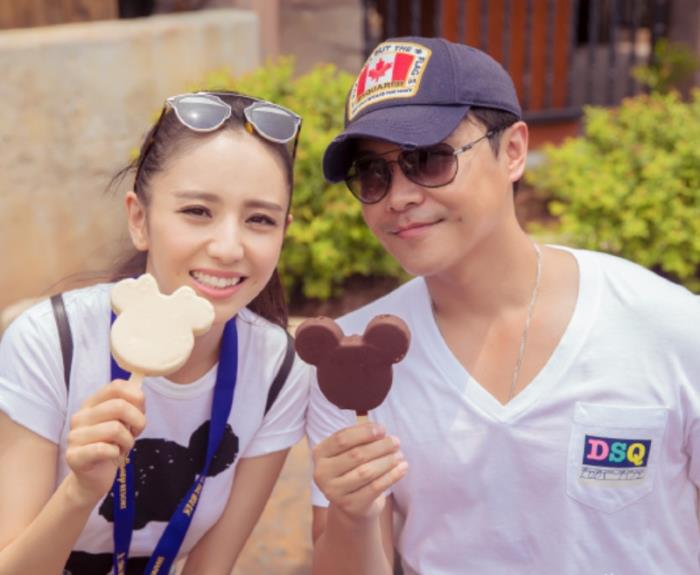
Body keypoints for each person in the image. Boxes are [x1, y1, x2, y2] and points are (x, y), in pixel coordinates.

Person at [306, 36, 700, 574]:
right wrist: (351, 516)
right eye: (373, 174)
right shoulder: (354, 363)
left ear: (513, 151)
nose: (398, 196)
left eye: (429, 159)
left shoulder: (668, 328)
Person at [0, 91, 309, 574]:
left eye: (260, 220)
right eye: (198, 211)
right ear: (140, 220)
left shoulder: (277, 369)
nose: (229, 247)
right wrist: (80, 491)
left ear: (283, 234)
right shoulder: (51, 341)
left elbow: (211, 567)